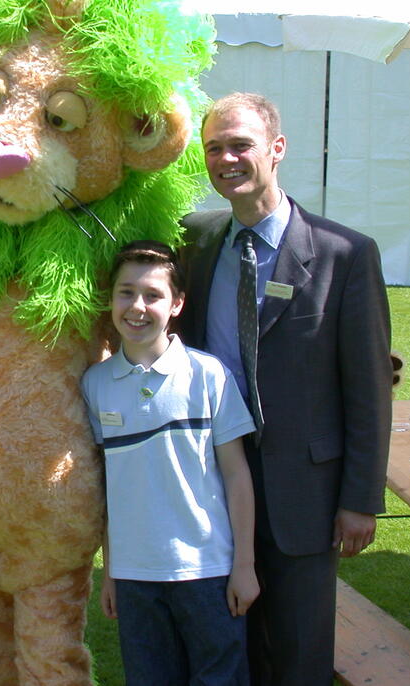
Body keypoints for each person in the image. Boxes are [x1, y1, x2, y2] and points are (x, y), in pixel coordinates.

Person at [178, 93, 392, 685]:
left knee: (298, 652)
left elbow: (370, 390)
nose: (227, 158)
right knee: (228, 642)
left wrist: (359, 498)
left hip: (306, 494)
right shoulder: (195, 243)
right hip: (213, 483)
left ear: (276, 149)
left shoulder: (344, 254)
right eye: (215, 147)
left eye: (240, 145)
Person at [82, 240, 258, 686]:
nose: (137, 306)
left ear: (177, 304)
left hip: (208, 572)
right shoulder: (95, 384)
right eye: (126, 292)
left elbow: (237, 476)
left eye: (153, 295)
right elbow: (107, 485)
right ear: (110, 298)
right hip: (135, 577)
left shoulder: (207, 374)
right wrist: (112, 571)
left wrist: (244, 565)